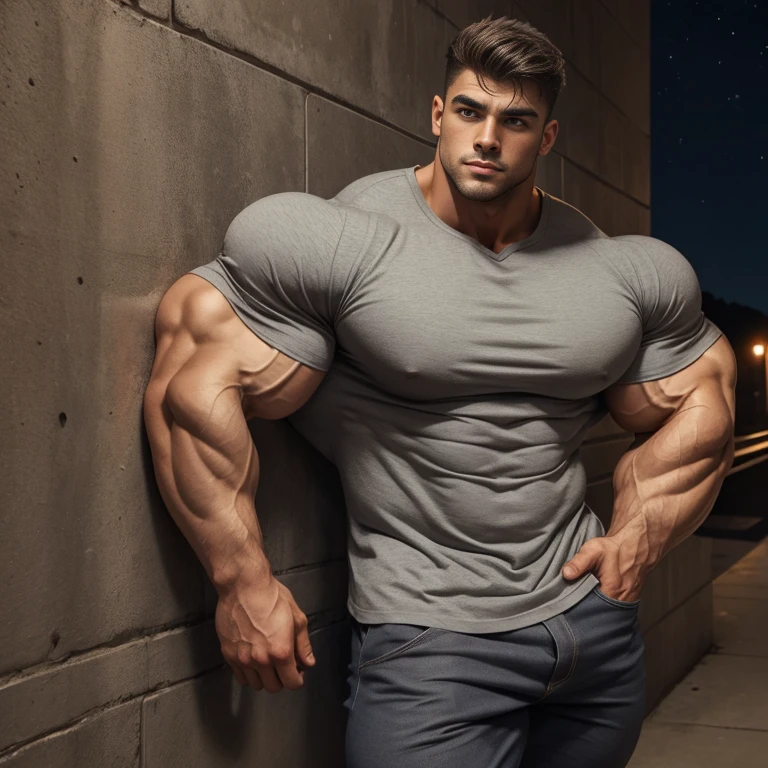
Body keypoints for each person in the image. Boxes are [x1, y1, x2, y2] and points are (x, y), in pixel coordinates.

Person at [143, 15, 736, 768]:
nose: (488, 138)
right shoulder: (344, 243)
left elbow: (706, 398)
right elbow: (191, 383)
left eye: (516, 121)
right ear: (437, 114)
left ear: (546, 139)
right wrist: (239, 582)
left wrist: (638, 541)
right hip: (431, 643)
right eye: (470, 111)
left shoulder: (617, 271)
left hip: (592, 635)